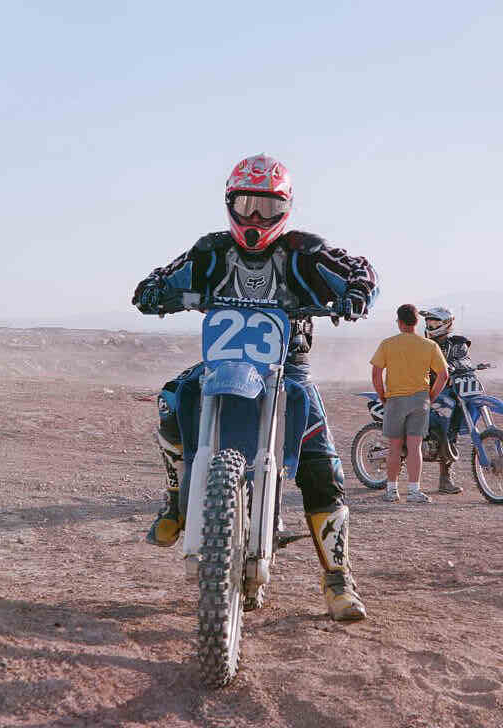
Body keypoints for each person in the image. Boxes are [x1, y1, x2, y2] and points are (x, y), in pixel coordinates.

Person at [132, 153, 380, 621]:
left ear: (286, 207)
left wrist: (356, 294)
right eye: (247, 204)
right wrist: (153, 292)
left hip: (288, 370)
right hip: (223, 365)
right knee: (172, 401)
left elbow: (359, 270)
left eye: (268, 207)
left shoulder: (305, 251)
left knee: (322, 462)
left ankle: (338, 577)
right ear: (230, 202)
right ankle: (176, 500)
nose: (256, 218)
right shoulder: (210, 251)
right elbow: (162, 278)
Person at [370, 304, 449, 503]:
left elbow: (376, 373)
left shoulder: (388, 344)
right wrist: (430, 397)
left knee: (395, 447)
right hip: (420, 400)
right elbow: (443, 375)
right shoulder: (429, 345)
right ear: (416, 322)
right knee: (415, 447)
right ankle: (414, 491)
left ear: (399, 322)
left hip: (395, 400)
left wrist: (382, 396)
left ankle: (391, 491)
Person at [419, 307, 472, 494]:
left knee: (451, 432)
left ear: (446, 324)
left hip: (450, 391)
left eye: (434, 323)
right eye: (428, 323)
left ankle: (445, 479)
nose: (430, 326)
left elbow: (466, 361)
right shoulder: (423, 344)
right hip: (427, 389)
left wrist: (452, 365)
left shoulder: (457, 343)